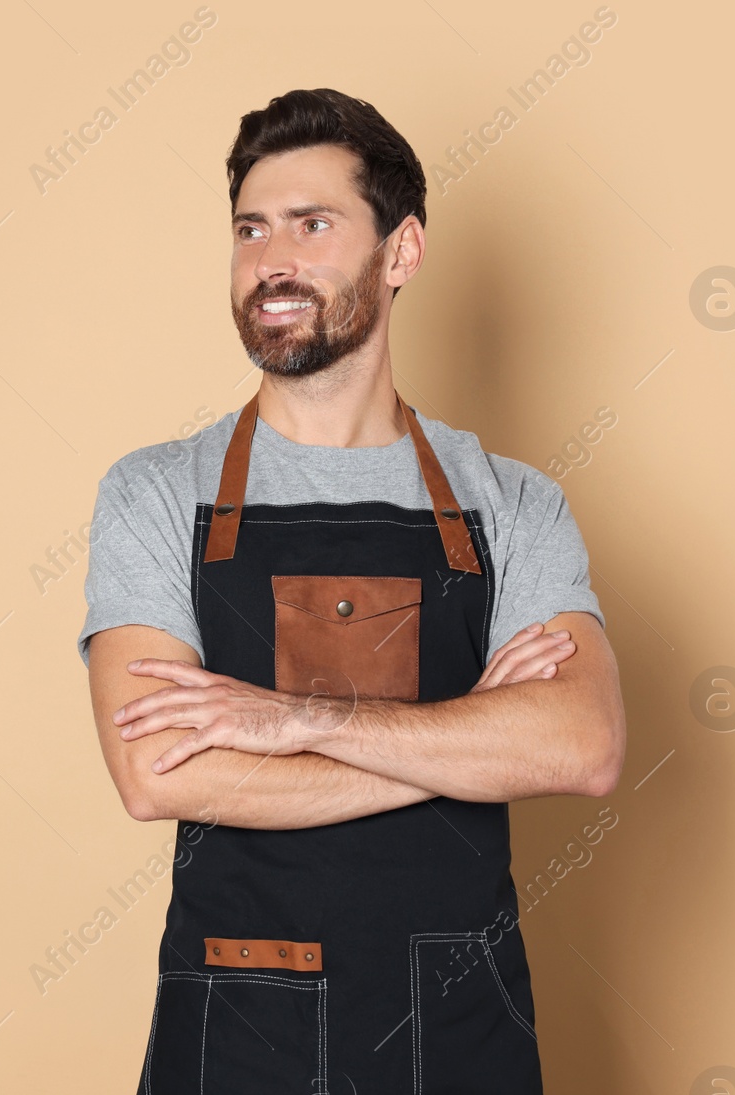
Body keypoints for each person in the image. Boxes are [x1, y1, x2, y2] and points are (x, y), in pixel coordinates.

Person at [78, 88, 626, 1094]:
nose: (271, 258)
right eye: (250, 228)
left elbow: (582, 746)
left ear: (402, 251)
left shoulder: (509, 504)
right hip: (236, 1030)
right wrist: (471, 741)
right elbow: (157, 770)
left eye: (311, 224)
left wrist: (287, 722)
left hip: (460, 1027)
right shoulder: (156, 492)